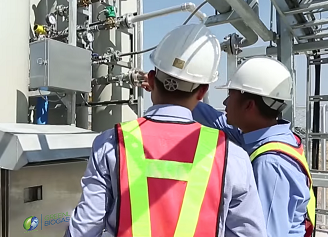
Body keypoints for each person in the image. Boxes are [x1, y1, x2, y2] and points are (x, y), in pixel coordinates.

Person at [65, 24, 267, 237]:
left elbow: (85, 229)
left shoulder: (110, 144)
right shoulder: (231, 156)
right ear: (203, 92)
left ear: (151, 81)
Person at [190, 57, 315, 237]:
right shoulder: (275, 137)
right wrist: (178, 95)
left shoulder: (270, 164)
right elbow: (218, 122)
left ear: (249, 105)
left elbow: (265, 233)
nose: (225, 103)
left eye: (230, 96)